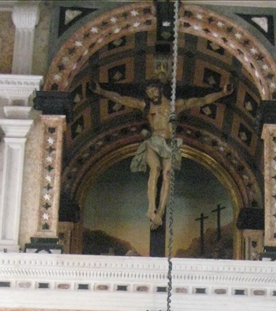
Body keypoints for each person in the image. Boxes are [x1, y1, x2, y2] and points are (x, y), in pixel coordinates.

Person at [93, 79, 234, 229]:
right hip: (154, 141)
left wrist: (222, 93)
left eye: (153, 90)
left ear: (160, 89)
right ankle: (151, 209)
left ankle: (159, 213)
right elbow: (122, 99)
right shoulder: (146, 106)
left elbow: (202, 100)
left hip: (169, 143)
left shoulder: (175, 106)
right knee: (155, 169)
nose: (152, 95)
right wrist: (101, 91)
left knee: (167, 175)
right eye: (149, 93)